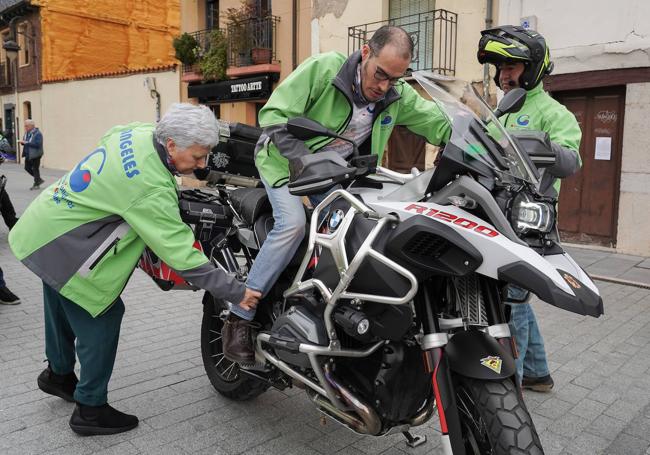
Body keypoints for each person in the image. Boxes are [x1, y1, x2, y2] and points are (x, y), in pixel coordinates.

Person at [8, 103, 261, 436]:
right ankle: (90, 409)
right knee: (103, 315)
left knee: (58, 297)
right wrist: (236, 292)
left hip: (44, 224)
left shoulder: (137, 133)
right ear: (171, 145)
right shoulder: (151, 187)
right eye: (198, 157)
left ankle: (58, 375)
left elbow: (109, 139)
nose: (201, 166)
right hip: (64, 245)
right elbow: (183, 257)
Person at [221, 25, 451, 364]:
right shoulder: (324, 69)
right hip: (282, 164)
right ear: (365, 52)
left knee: (368, 231)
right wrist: (304, 161)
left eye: (395, 79)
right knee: (294, 225)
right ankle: (239, 314)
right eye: (380, 75)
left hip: (336, 176)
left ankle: (336, 312)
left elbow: (438, 122)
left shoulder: (395, 94)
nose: (384, 86)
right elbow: (273, 117)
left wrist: (481, 140)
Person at [478, 26, 582, 392]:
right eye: (500, 67)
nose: (504, 74)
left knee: (514, 304)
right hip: (495, 214)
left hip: (528, 222)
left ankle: (511, 388)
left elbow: (571, 161)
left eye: (513, 66)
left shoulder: (553, 112)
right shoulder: (502, 110)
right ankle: (539, 374)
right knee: (519, 297)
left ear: (534, 67)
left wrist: (541, 147)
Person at [19, 119, 45, 190]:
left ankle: (36, 184)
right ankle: (38, 179)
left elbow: (38, 144)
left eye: (27, 126)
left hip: (36, 154)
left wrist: (26, 143)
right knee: (27, 168)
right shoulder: (27, 133)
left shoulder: (38, 134)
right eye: (25, 126)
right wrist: (22, 142)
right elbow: (25, 141)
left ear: (32, 126)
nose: (25, 127)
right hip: (28, 154)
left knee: (35, 169)